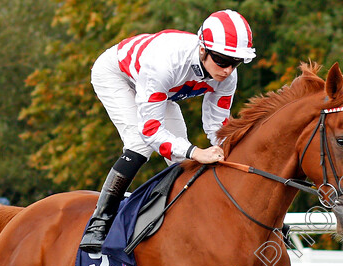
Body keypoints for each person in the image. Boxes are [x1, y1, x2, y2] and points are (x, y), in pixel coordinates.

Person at [79, 9, 256, 252]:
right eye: (222, 61)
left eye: (235, 63)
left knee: (178, 158)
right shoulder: (165, 62)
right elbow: (150, 130)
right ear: (203, 49)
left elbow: (217, 127)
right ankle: (99, 223)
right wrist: (197, 152)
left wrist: (233, 155)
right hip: (117, 74)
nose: (227, 70)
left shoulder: (227, 78)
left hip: (163, 90)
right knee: (140, 144)